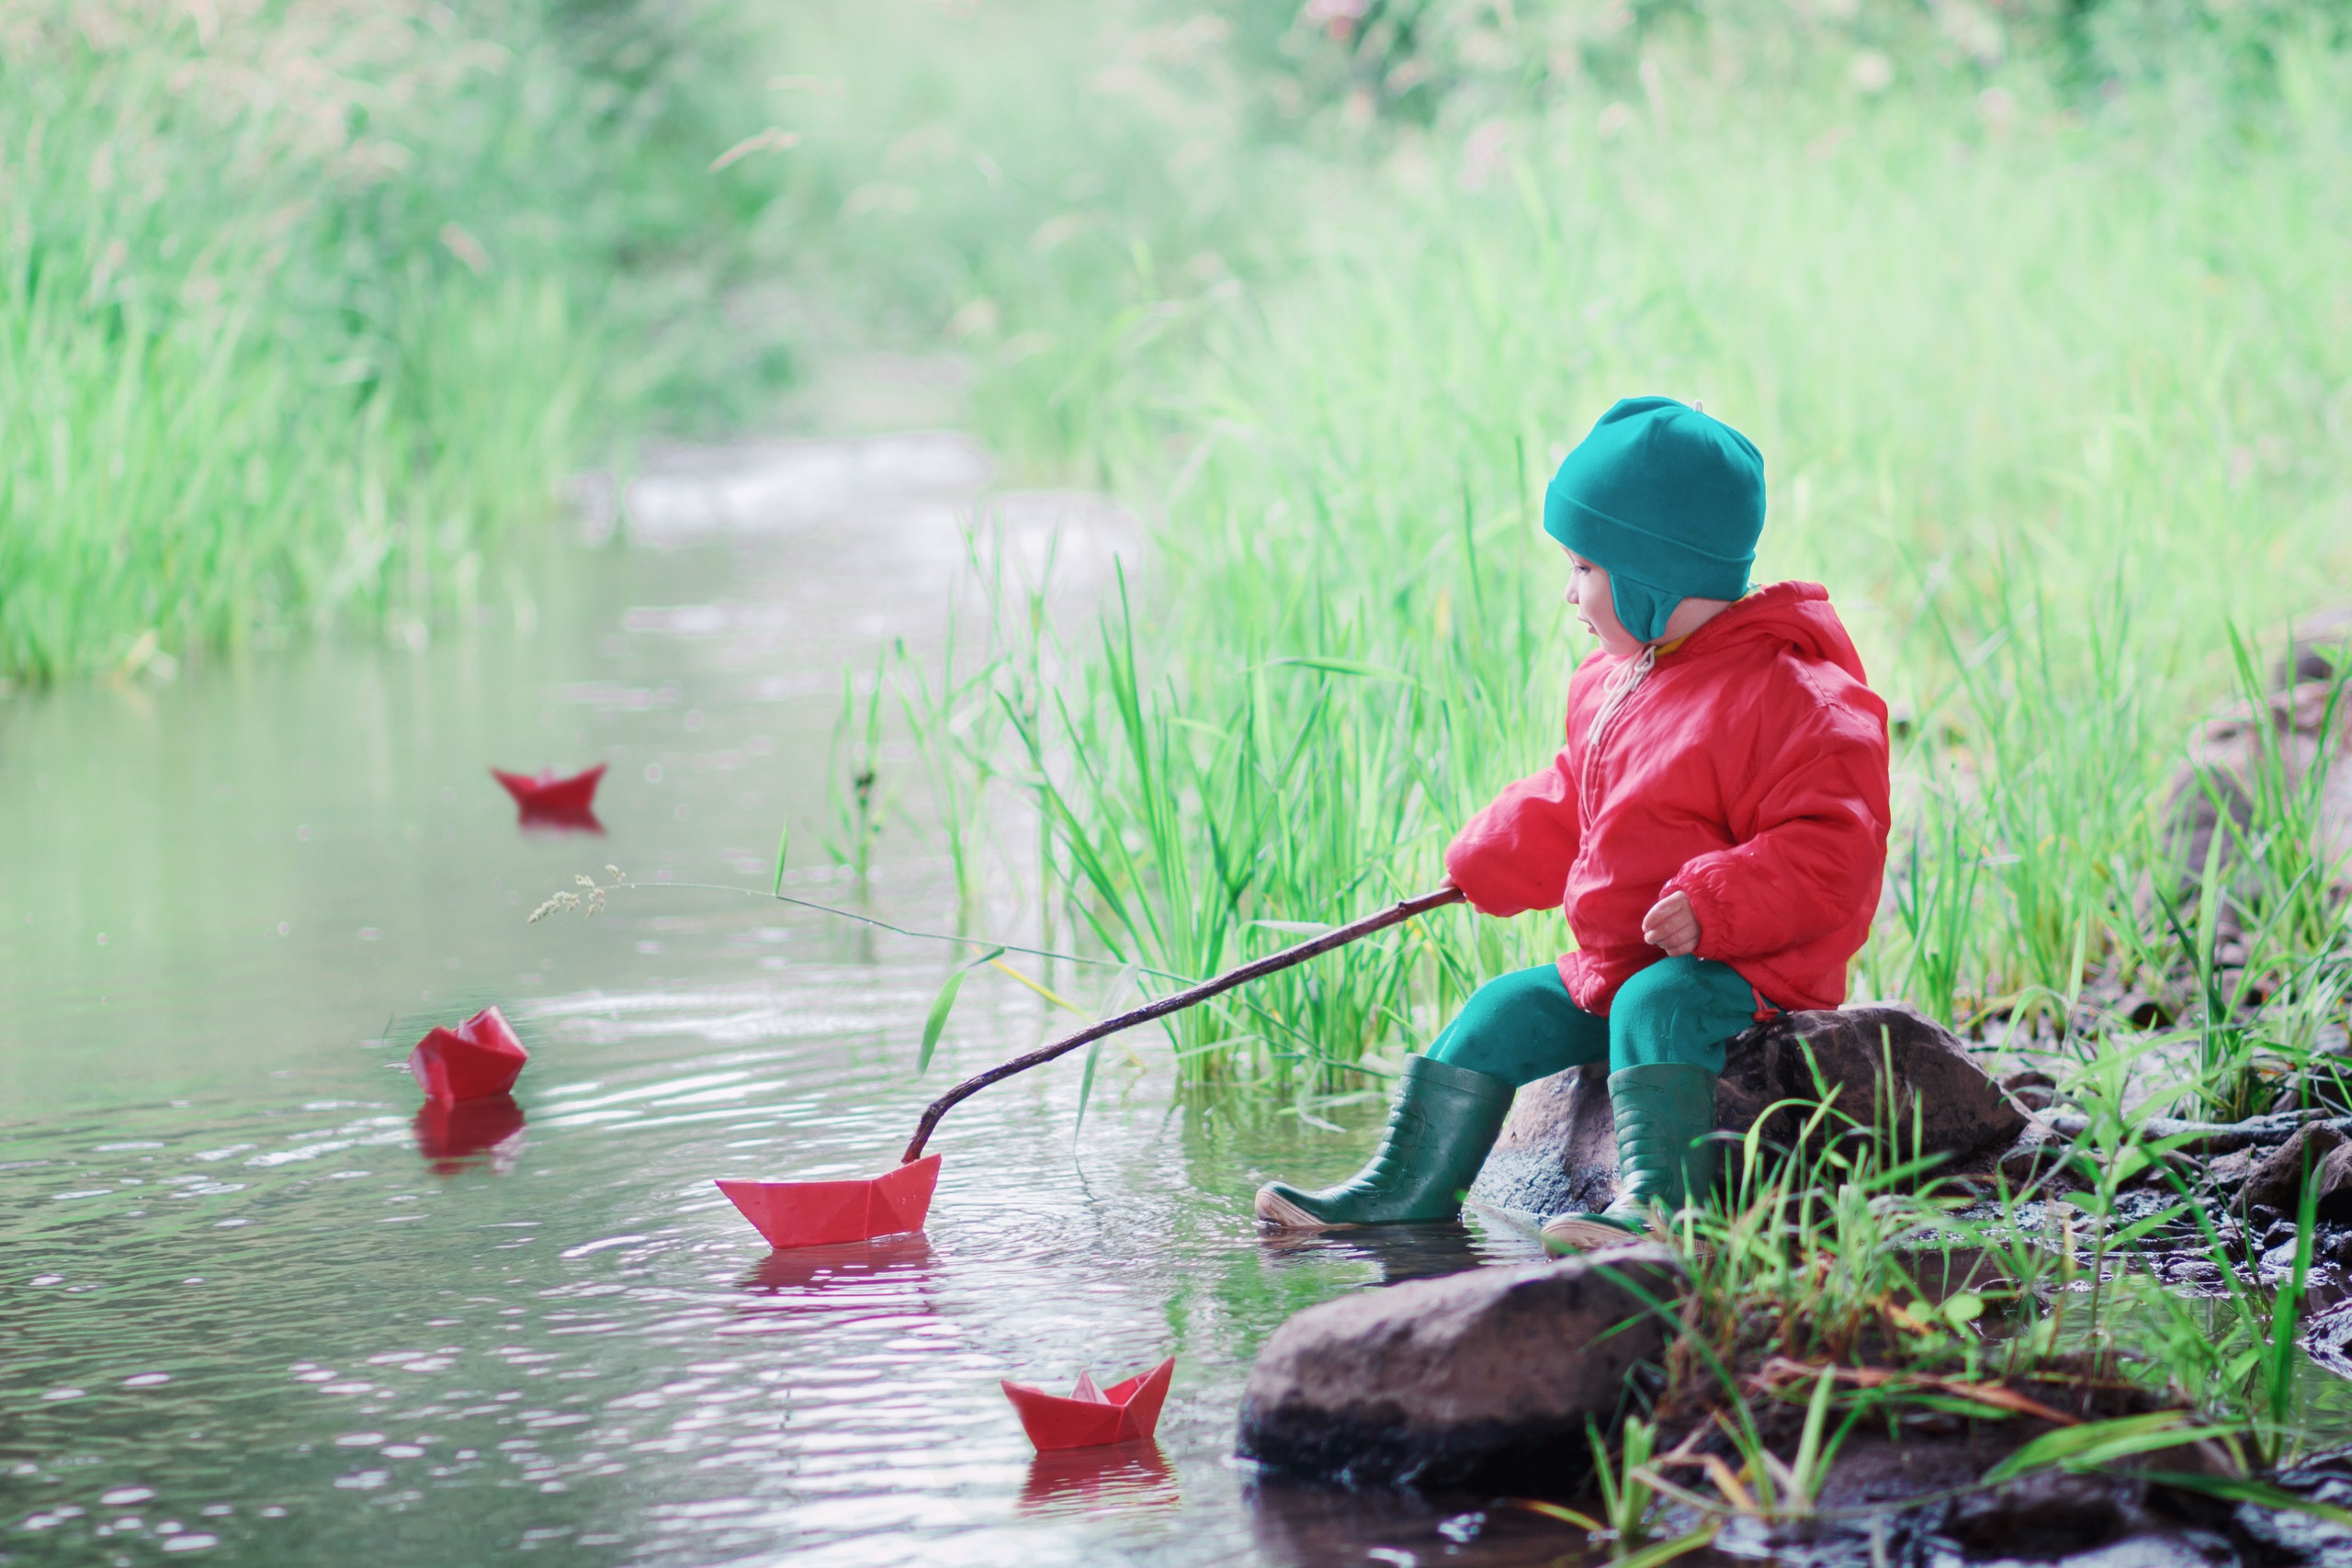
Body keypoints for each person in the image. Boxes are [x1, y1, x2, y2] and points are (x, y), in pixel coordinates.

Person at [1254, 396, 1892, 1252]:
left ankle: (1665, 1206)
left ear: (1654, 575)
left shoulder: (1791, 697)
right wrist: (1492, 856)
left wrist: (1714, 901)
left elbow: (1833, 848)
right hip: (1617, 957)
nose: (1569, 592)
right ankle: (1405, 1186)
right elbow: (1581, 801)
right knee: (1497, 1011)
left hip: (1742, 964)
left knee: (1659, 1007)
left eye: (1586, 567)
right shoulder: (1616, 679)